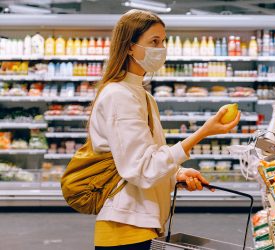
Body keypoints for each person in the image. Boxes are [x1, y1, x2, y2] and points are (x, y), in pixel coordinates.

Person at [89, 9, 241, 250]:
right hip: (125, 228)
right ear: (130, 47)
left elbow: (148, 157)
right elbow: (141, 169)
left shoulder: (143, 96)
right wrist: (202, 133)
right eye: (154, 42)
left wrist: (175, 174)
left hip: (143, 224)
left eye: (163, 41)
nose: (161, 49)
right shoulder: (118, 96)